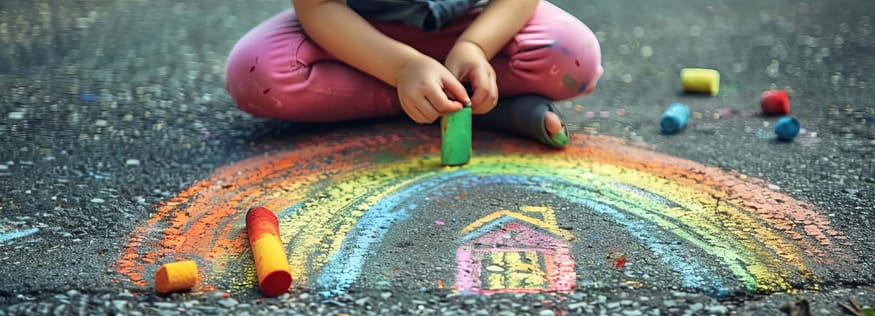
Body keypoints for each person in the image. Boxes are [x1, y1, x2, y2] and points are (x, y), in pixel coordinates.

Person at [226, 0, 602, 148]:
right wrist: (402, 68)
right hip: (360, 40)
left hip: (474, 28)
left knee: (574, 59)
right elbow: (320, 6)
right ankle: (447, 98)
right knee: (258, 74)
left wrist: (476, 47)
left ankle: (454, 94)